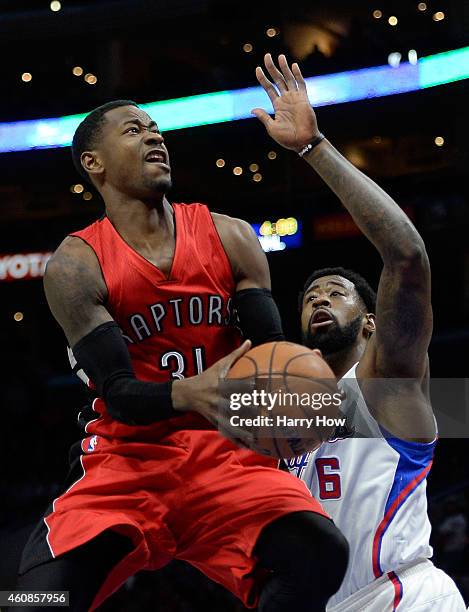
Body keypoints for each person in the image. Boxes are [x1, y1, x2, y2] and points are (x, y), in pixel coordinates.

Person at [14, 54, 349, 612]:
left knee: (322, 552)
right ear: (93, 163)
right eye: (134, 130)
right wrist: (186, 393)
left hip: (227, 457)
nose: (154, 136)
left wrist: (295, 398)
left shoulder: (231, 236)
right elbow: (119, 393)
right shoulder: (76, 265)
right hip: (129, 461)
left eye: (155, 128)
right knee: (32, 602)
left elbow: (270, 353)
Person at [253, 53, 468, 610]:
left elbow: (406, 254)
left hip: (402, 595)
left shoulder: (383, 385)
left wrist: (313, 148)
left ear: (370, 323)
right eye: (309, 297)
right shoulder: (284, 416)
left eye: (335, 292)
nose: (319, 299)